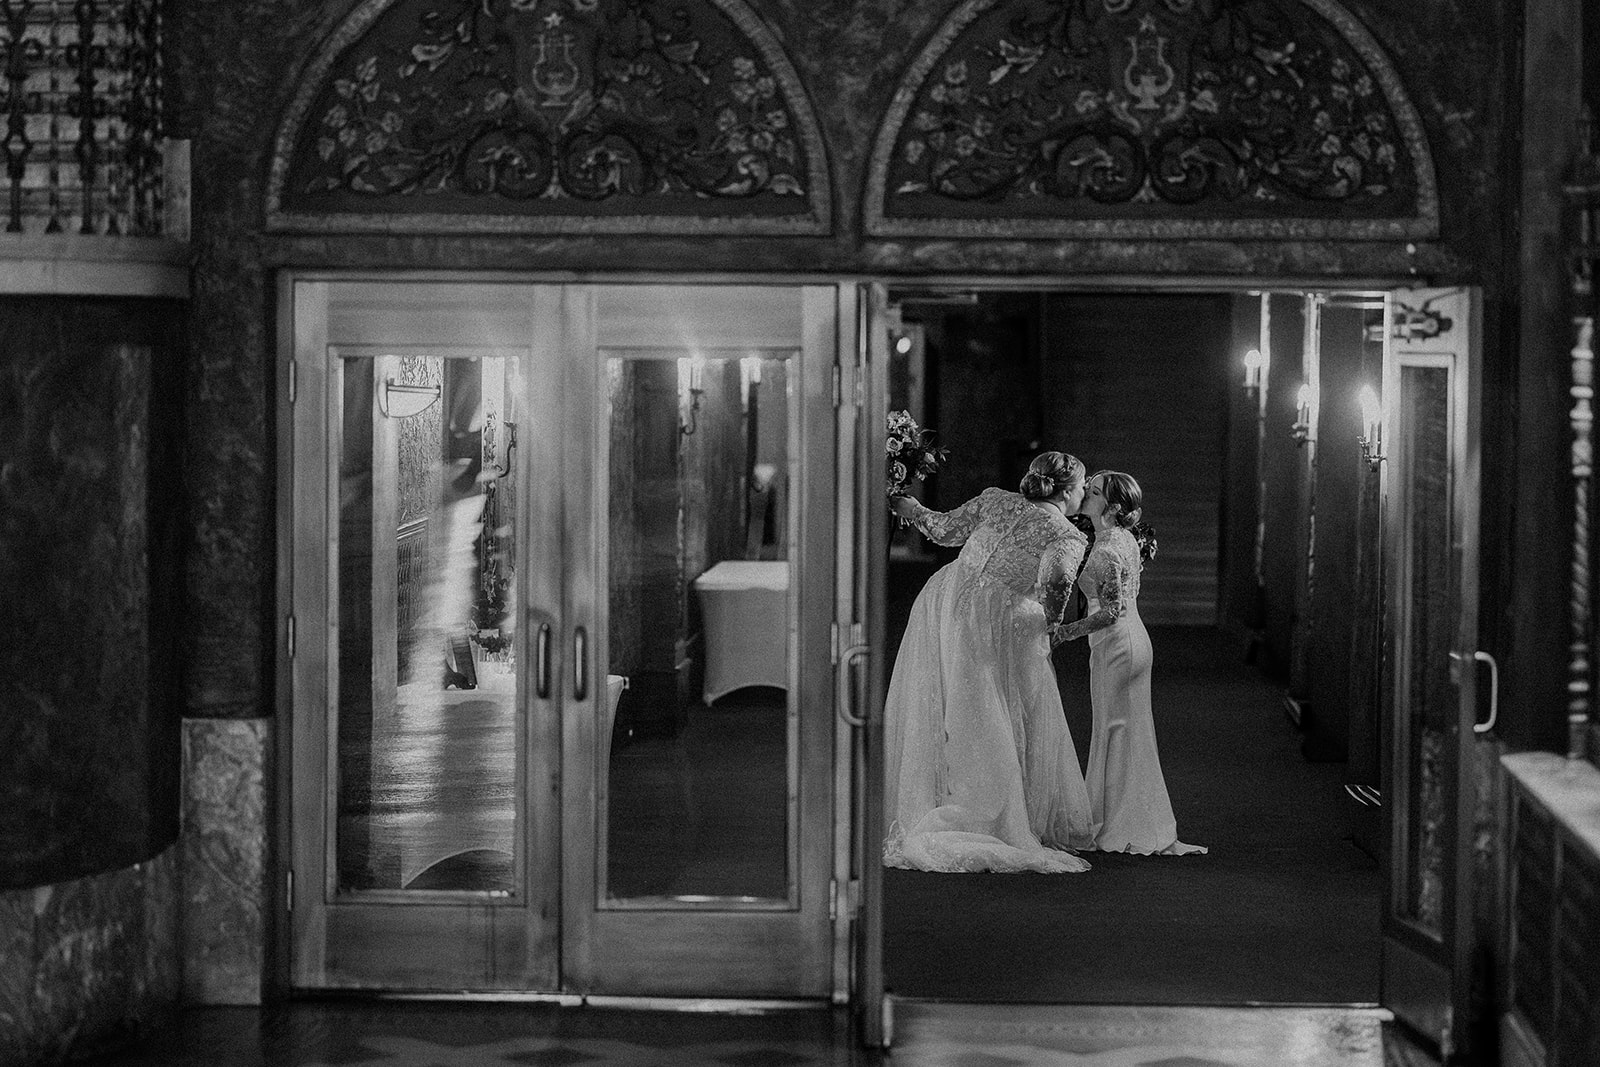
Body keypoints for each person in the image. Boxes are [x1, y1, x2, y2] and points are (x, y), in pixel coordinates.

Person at [883, 451, 1097, 873]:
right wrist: (1053, 625)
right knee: (983, 707)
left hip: (945, 598)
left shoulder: (995, 499)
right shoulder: (1068, 536)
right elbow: (1055, 584)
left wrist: (912, 508)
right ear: (1069, 491)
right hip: (994, 619)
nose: (1085, 492)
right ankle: (978, 805)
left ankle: (934, 790)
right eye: (1083, 485)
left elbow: (944, 531)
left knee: (943, 694)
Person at [1053, 471, 1206, 856]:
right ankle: (1130, 816)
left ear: (1113, 506)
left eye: (1096, 489)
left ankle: (1117, 822)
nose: (1087, 490)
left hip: (1117, 644)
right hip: (1132, 641)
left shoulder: (1106, 548)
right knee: (1129, 732)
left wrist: (1065, 632)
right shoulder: (1121, 539)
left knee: (1113, 730)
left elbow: (1110, 612)